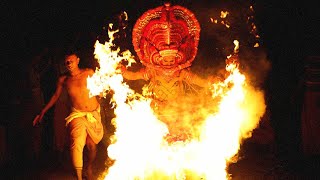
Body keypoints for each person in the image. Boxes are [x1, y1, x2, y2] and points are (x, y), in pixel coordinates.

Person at [33, 51, 104, 180]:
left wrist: (101, 92)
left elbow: (99, 88)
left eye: (71, 61)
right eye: (66, 62)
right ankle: (78, 176)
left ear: (78, 60)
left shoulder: (89, 72)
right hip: (76, 114)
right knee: (77, 143)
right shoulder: (64, 79)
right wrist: (43, 111)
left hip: (93, 114)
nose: (69, 64)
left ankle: (88, 167)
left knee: (91, 146)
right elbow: (55, 96)